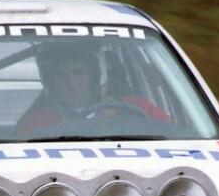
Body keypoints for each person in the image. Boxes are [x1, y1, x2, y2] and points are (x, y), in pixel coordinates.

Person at [16, 42, 170, 136]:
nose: (71, 83)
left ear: (95, 75)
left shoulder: (137, 109)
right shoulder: (36, 123)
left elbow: (174, 135)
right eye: (62, 75)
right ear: (51, 81)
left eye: (79, 73)